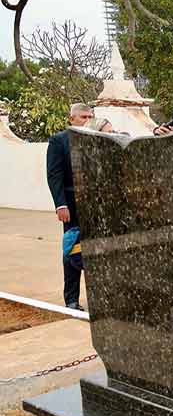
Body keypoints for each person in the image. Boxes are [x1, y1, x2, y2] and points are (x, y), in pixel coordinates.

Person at [46, 103, 94, 310]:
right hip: (72, 207)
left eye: (90, 117)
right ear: (71, 118)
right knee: (73, 251)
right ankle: (72, 299)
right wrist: (60, 205)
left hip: (95, 206)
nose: (87, 120)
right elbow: (54, 175)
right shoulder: (58, 141)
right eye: (83, 117)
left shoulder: (96, 140)